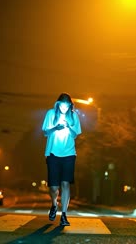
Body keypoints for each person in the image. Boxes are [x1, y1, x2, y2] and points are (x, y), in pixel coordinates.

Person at [41, 92, 82, 226]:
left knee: (65, 184)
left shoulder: (74, 116)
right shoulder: (50, 114)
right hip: (53, 153)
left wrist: (69, 126)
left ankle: (64, 215)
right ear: (58, 104)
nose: (64, 108)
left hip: (69, 154)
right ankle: (54, 205)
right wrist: (55, 127)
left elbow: (75, 134)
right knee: (53, 187)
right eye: (62, 105)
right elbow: (45, 132)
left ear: (70, 105)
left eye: (67, 105)